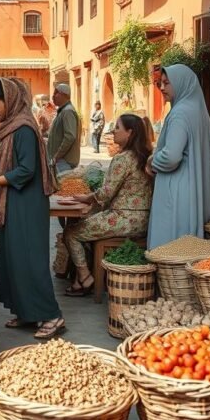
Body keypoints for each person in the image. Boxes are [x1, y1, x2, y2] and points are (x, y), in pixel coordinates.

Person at [0, 77, 63, 339]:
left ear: (10, 100)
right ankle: (27, 312)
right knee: (16, 258)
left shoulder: (24, 129)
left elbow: (26, 170)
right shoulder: (11, 127)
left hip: (27, 203)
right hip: (15, 200)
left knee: (31, 260)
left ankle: (52, 315)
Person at [62, 114, 153, 295]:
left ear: (130, 133)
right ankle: (80, 280)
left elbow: (105, 193)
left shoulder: (123, 159)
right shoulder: (145, 156)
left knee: (71, 233)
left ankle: (85, 277)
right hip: (143, 220)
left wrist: (87, 198)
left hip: (123, 220)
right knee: (82, 225)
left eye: (117, 128)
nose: (113, 131)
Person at [146, 64, 210, 248]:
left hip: (177, 190)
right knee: (187, 247)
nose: (162, 88)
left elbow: (171, 156)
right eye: (160, 83)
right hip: (193, 186)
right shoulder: (200, 112)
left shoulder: (179, 114)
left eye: (166, 83)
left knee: (170, 245)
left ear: (181, 84)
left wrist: (153, 161)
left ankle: (169, 277)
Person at [47, 83, 80, 176]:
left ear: (64, 95)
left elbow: (70, 136)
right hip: (60, 161)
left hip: (64, 162)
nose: (53, 96)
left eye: (56, 93)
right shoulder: (63, 111)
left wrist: (57, 156)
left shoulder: (67, 112)